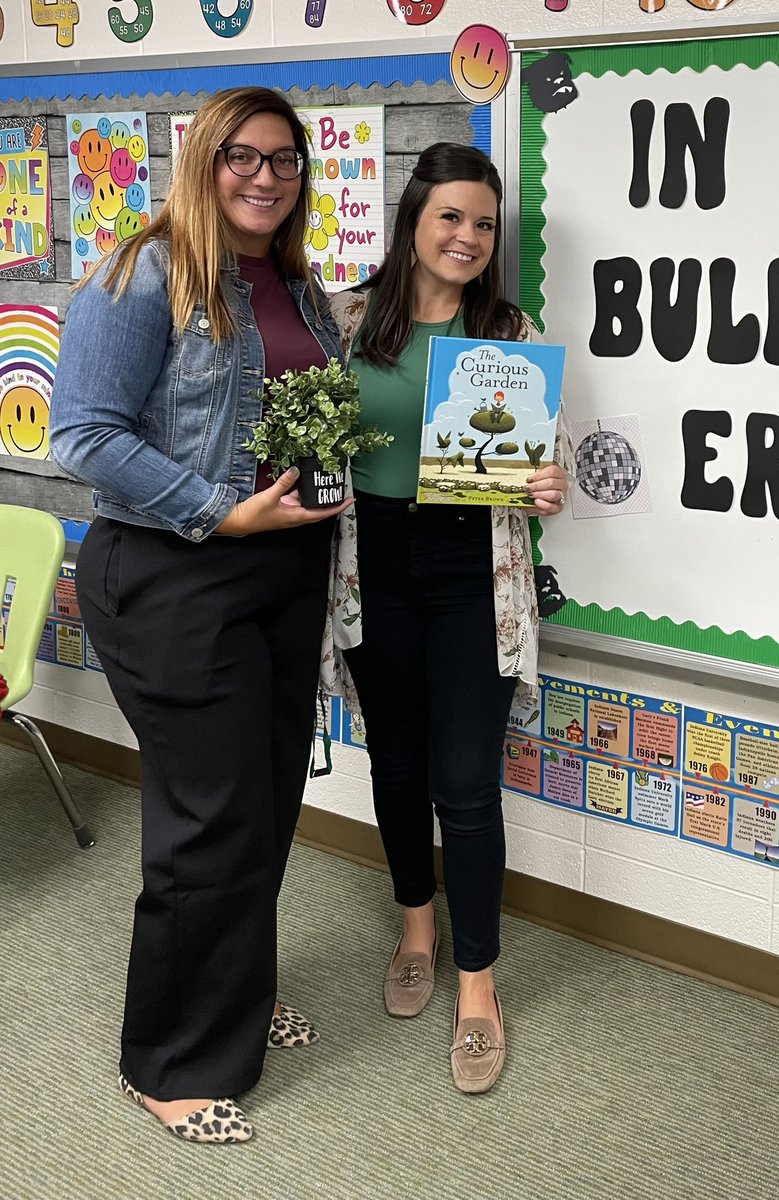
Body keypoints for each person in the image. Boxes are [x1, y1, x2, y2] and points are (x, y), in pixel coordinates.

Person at [50, 87, 347, 1144]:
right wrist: (218, 511)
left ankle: (237, 1004)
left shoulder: (301, 289)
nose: (265, 177)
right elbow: (80, 435)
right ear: (201, 159)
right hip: (177, 574)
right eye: (241, 155)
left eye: (285, 160)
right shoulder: (143, 274)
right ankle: (166, 1062)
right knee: (208, 818)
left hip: (282, 571)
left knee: (262, 805)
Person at [326, 141, 569, 1094]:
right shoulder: (346, 319)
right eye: (450, 217)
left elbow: (540, 466)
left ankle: (478, 988)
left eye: (482, 223)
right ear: (412, 221)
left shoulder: (509, 330)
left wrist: (546, 488)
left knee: (466, 785)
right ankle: (414, 930)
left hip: (474, 572)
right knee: (396, 765)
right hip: (373, 567)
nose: (467, 237)